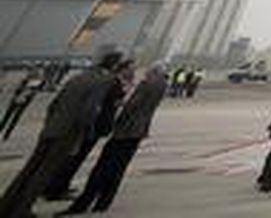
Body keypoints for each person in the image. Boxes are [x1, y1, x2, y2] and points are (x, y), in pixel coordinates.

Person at [0, 52, 120, 218]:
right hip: (68, 132)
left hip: (52, 128)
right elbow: (89, 111)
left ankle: (7, 203)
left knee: (29, 169)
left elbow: (54, 104)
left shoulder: (79, 77)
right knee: (44, 173)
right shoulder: (104, 81)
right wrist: (87, 132)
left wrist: (50, 124)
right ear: (114, 66)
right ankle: (21, 209)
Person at [59, 65, 167, 214]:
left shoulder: (146, 85)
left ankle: (85, 202)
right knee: (118, 169)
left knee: (103, 167)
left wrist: (119, 107)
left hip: (125, 132)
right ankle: (103, 202)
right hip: (137, 132)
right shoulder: (161, 85)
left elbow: (131, 107)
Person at [43, 59, 132, 201]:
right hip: (91, 127)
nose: (131, 70)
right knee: (74, 158)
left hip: (81, 126)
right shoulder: (107, 81)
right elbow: (95, 106)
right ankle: (57, 187)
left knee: (73, 158)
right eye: (130, 67)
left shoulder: (91, 78)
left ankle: (58, 185)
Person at [1, 68, 45, 140]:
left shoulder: (38, 82)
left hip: (23, 100)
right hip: (19, 99)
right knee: (9, 117)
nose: (35, 73)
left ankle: (6, 134)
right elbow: (19, 89)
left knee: (13, 117)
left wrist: (26, 93)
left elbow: (34, 91)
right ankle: (5, 133)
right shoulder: (27, 80)